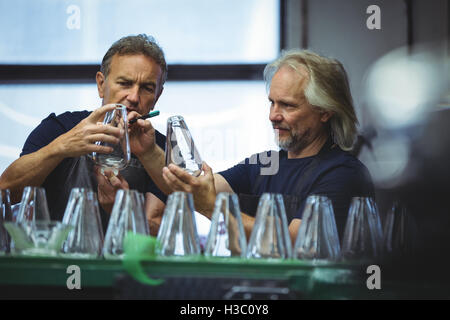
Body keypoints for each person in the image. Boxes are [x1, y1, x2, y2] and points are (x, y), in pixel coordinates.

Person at [133, 49, 374, 241]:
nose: (273, 115)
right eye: (272, 103)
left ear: (324, 112)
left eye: (287, 106)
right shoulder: (265, 164)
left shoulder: (343, 174)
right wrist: (146, 150)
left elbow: (295, 244)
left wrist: (211, 208)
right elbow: (189, 187)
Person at [0, 34, 168, 234]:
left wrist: (122, 211)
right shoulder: (59, 128)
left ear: (157, 96)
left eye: (147, 88)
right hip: (52, 261)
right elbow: (7, 192)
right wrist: (61, 147)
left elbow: (163, 233)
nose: (133, 97)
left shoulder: (159, 149)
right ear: (101, 84)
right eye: (124, 83)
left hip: (124, 264)